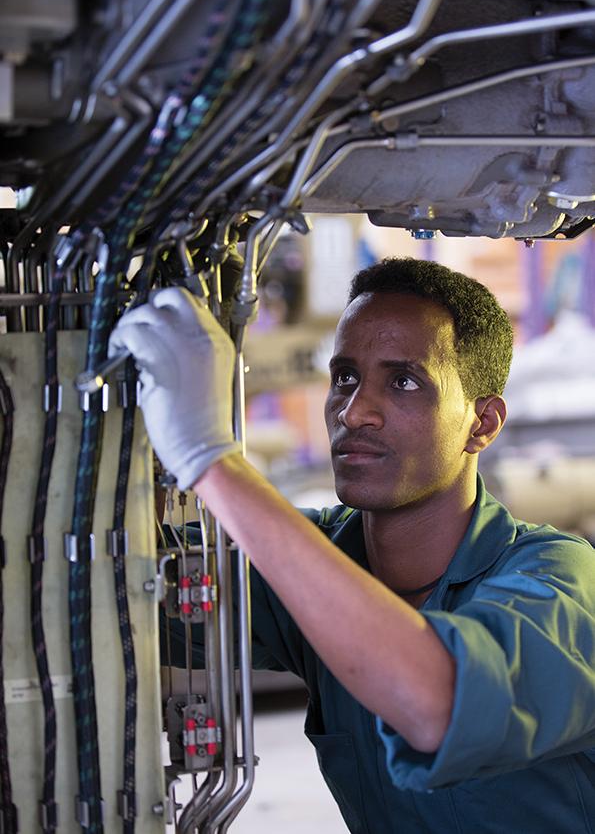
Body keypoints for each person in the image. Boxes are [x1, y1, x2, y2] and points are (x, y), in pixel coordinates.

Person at [110, 257, 595, 833]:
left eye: (405, 381)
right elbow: (112, 580)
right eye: (344, 377)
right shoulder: (319, 556)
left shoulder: (559, 579)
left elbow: (435, 702)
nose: (353, 410)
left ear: (482, 423)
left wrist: (210, 460)